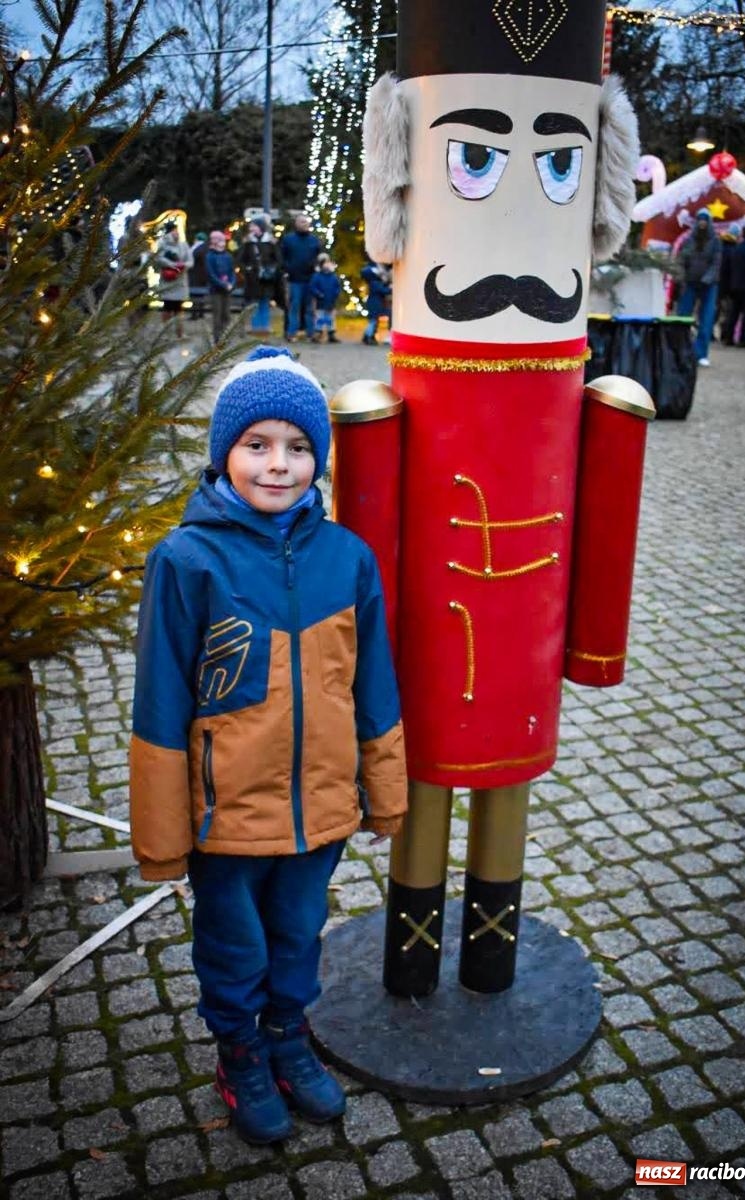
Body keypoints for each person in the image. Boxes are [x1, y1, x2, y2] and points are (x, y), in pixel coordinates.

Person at [129, 346, 408, 1145]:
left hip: (319, 809)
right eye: (257, 445)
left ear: (319, 455)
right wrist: (163, 835)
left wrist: (384, 792)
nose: (279, 465)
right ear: (224, 453)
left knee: (297, 931)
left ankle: (287, 1033)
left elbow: (374, 684)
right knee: (232, 943)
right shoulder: (186, 559)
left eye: (298, 447)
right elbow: (158, 702)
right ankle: (240, 1051)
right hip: (225, 821)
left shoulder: (347, 559)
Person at [676, 208, 721, 367]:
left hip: (708, 286)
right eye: (700, 219)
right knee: (682, 316)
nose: (702, 222)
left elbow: (716, 263)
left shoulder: (715, 241)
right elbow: (681, 260)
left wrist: (707, 279)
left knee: (706, 318)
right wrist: (681, 277)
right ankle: (680, 350)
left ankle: (701, 353)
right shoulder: (688, 240)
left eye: (705, 219)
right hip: (690, 283)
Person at [279, 214, 323, 341]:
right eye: (301, 222)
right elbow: (282, 256)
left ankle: (311, 333)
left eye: (306, 222)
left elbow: (319, 256)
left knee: (310, 308)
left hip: (311, 279)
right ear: (296, 223)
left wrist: (316, 267)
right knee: (294, 307)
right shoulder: (288, 239)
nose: (304, 224)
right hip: (294, 279)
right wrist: (287, 269)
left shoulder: (314, 240)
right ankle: (291, 333)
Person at [238, 216, 280, 335]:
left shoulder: (270, 242)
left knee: (265, 302)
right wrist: (247, 269)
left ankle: (265, 325)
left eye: (253, 226)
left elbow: (277, 258)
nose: (251, 228)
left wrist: (271, 269)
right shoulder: (248, 242)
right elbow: (241, 259)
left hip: (266, 279)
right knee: (253, 303)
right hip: (252, 279)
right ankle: (255, 326)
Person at [154, 220, 193, 339]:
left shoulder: (183, 245)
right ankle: (164, 334)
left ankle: (180, 333)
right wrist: (173, 265)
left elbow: (190, 261)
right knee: (167, 308)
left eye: (177, 231)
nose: (176, 233)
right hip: (168, 281)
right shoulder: (162, 244)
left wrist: (184, 265)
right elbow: (158, 258)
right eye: (174, 231)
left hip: (180, 281)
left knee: (179, 309)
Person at [205, 230, 236, 342]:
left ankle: (226, 337)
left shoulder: (228, 256)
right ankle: (217, 338)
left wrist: (231, 283)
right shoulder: (209, 256)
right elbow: (211, 274)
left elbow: (232, 272)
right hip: (216, 290)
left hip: (227, 289)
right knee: (217, 315)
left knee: (226, 314)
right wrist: (222, 284)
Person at [309, 258, 342, 342]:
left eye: (329, 263)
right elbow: (312, 287)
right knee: (320, 317)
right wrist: (318, 294)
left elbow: (337, 287)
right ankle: (318, 333)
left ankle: (331, 334)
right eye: (325, 263)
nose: (327, 265)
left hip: (331, 301)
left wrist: (336, 294)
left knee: (331, 318)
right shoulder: (317, 276)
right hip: (321, 301)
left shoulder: (334, 277)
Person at [361, 260, 391, 345]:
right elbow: (383, 291)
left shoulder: (374, 282)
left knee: (373, 321)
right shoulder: (375, 283)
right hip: (375, 304)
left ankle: (369, 336)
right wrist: (391, 289)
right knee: (373, 321)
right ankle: (368, 336)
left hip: (375, 304)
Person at [188, 232, 209, 321]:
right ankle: (201, 313)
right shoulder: (207, 248)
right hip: (203, 275)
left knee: (194, 295)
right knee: (201, 294)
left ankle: (194, 314)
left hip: (195, 274)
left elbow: (191, 260)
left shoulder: (196, 248)